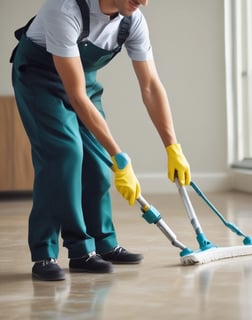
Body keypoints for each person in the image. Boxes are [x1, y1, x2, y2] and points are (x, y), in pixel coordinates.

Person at [10, 0, 191, 281]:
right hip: (40, 81)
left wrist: (173, 146)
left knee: (96, 162)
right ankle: (56, 252)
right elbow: (76, 95)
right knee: (63, 156)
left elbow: (151, 85)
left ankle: (103, 243)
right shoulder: (64, 10)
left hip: (84, 85)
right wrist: (120, 156)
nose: (143, 1)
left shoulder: (133, 21)